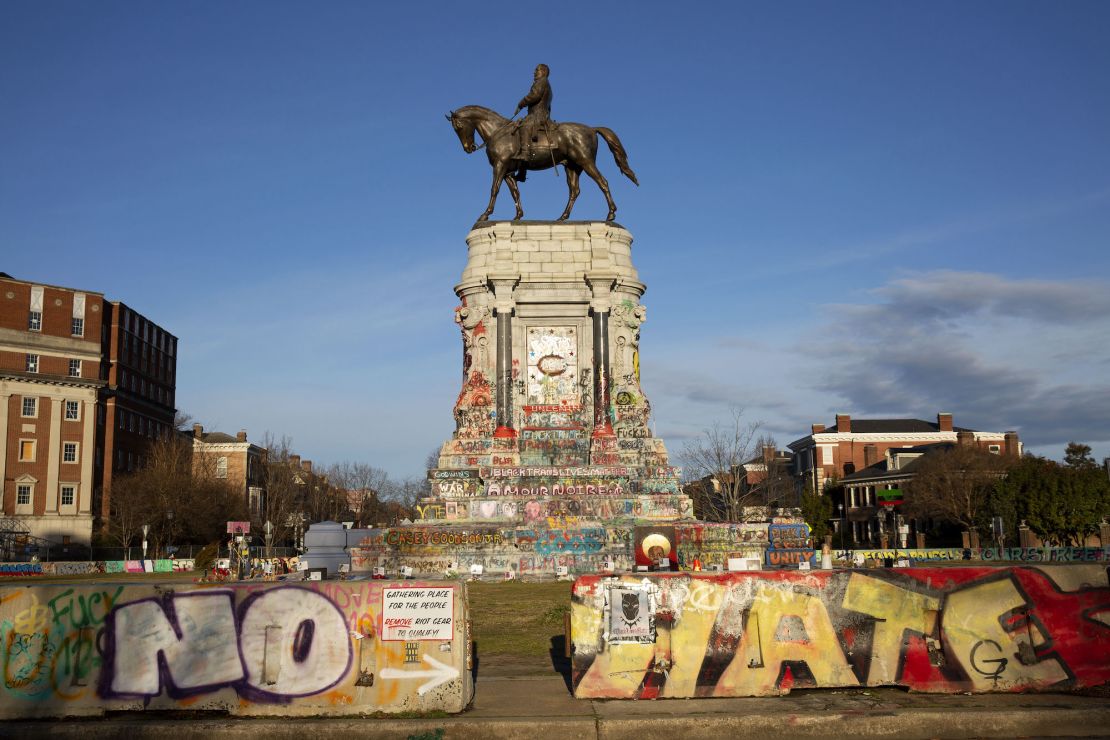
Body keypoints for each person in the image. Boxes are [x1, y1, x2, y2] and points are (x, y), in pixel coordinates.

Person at [512, 63, 553, 181]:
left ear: (544, 72)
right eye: (535, 70)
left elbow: (534, 95)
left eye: (537, 70)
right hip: (540, 114)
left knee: (524, 126)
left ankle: (525, 153)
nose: (534, 72)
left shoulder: (542, 82)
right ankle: (522, 172)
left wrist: (521, 103)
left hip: (537, 115)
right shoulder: (545, 84)